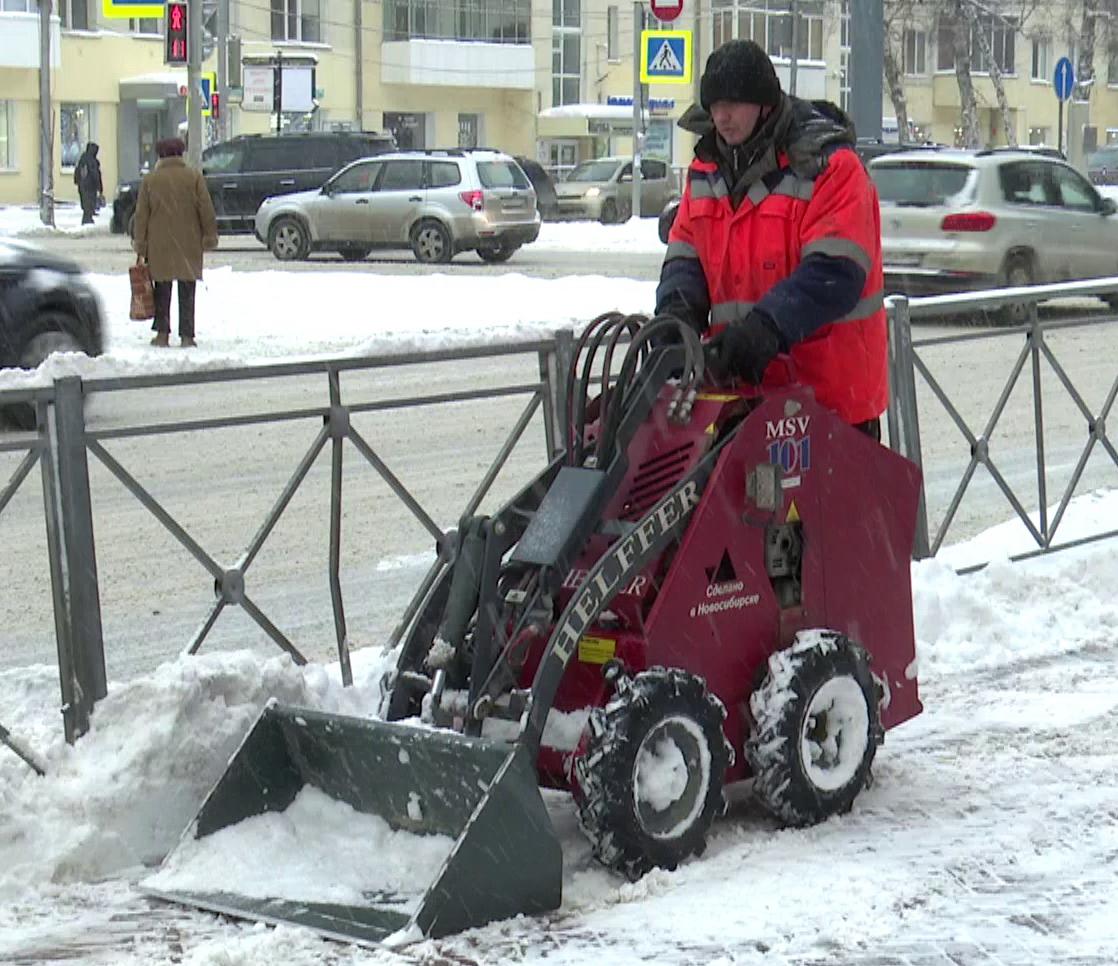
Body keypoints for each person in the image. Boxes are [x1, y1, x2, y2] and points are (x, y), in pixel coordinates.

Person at [656, 40, 887, 438]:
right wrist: (677, 316)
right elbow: (685, 256)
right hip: (743, 399)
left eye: (733, 104)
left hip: (829, 402)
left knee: (826, 504)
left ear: (765, 104)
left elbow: (836, 272)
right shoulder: (707, 169)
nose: (721, 117)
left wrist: (768, 326)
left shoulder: (828, 167)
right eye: (713, 105)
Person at [132, 137, 218, 348]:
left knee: (162, 288)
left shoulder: (151, 180)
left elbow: (141, 214)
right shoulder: (194, 177)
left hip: (159, 243)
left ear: (160, 155)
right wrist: (209, 235)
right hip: (189, 241)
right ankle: (187, 336)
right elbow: (206, 209)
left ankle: (162, 333)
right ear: (181, 154)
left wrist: (140, 242)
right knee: (187, 288)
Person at [73, 142, 103, 226]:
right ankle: (87, 220)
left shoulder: (82, 158)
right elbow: (95, 175)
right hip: (90, 186)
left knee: (85, 203)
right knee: (90, 203)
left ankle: (87, 218)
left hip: (82, 185)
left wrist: (77, 181)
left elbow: (77, 171)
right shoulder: (92, 161)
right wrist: (99, 187)